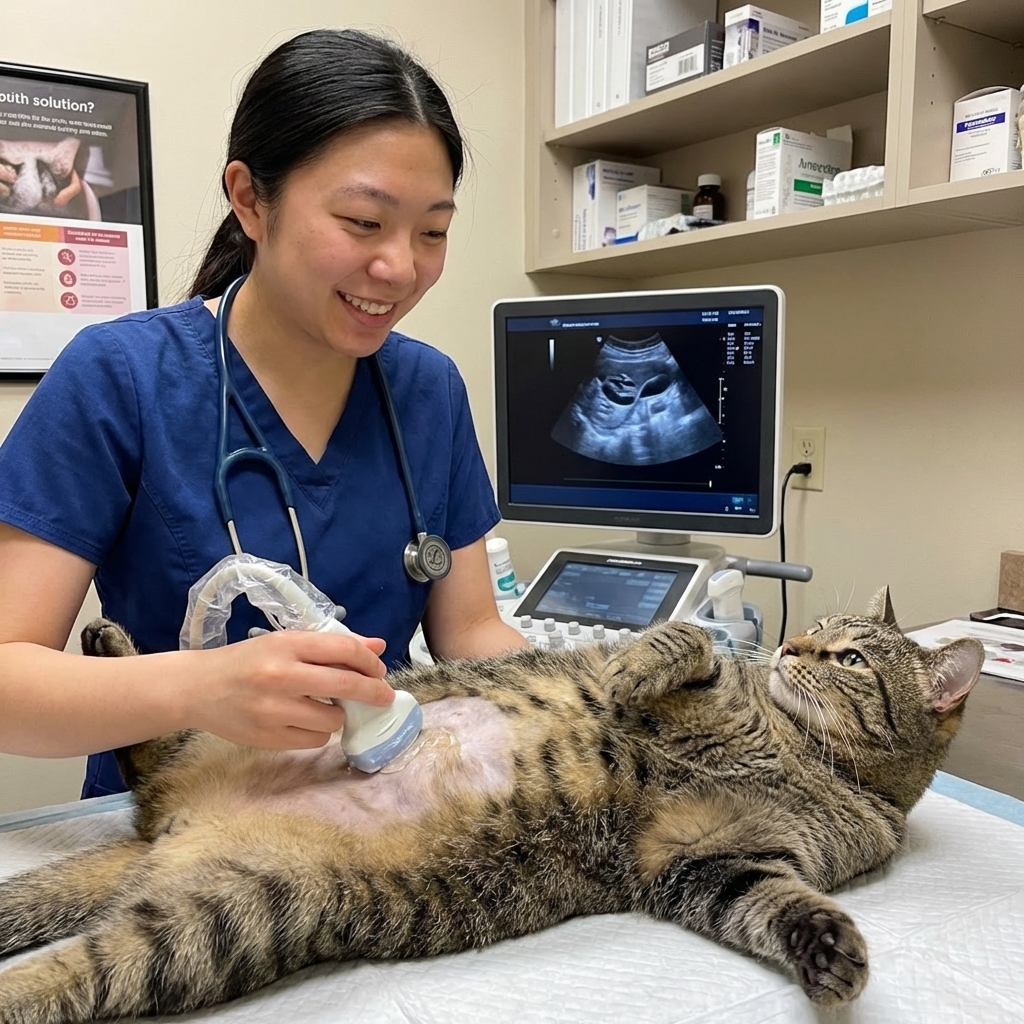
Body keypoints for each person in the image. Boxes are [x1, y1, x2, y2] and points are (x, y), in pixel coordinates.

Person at [0, 29, 526, 798]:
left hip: (384, 820)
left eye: (433, 232)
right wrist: (199, 688)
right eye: (363, 222)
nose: (400, 267)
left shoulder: (428, 389)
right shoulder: (121, 377)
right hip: (180, 830)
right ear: (249, 199)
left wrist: (589, 701)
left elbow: (471, 631)